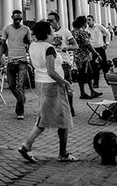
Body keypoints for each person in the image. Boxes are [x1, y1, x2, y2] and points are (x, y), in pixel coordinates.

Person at [17, 21, 77, 163]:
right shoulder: (48, 48)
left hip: (41, 83)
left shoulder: (33, 46)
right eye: (51, 31)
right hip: (53, 85)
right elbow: (51, 71)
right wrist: (66, 82)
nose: (53, 33)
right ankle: (62, 153)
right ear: (47, 33)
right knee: (63, 120)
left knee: (44, 117)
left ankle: (28, 145)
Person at [0, 9, 32, 119]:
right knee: (11, 85)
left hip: (22, 60)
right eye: (16, 18)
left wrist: (31, 56)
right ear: (12, 17)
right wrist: (0, 57)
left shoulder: (26, 29)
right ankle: (21, 98)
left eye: (20, 19)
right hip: (11, 60)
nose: (18, 21)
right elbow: (3, 44)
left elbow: (29, 43)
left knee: (21, 85)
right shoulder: (7, 29)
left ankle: (20, 111)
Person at [71, 16, 103, 99]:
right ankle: (83, 93)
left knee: (87, 74)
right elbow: (88, 45)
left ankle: (92, 91)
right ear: (83, 23)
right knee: (84, 75)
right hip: (84, 56)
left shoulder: (73, 31)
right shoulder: (82, 32)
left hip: (77, 56)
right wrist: (96, 54)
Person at [86, 15, 110, 87]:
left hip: (100, 48)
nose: (88, 21)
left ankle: (108, 80)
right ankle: (96, 83)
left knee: (104, 65)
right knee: (94, 66)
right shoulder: (86, 30)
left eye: (89, 20)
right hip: (92, 50)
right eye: (87, 20)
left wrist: (106, 43)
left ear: (93, 20)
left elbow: (107, 33)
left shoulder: (98, 27)